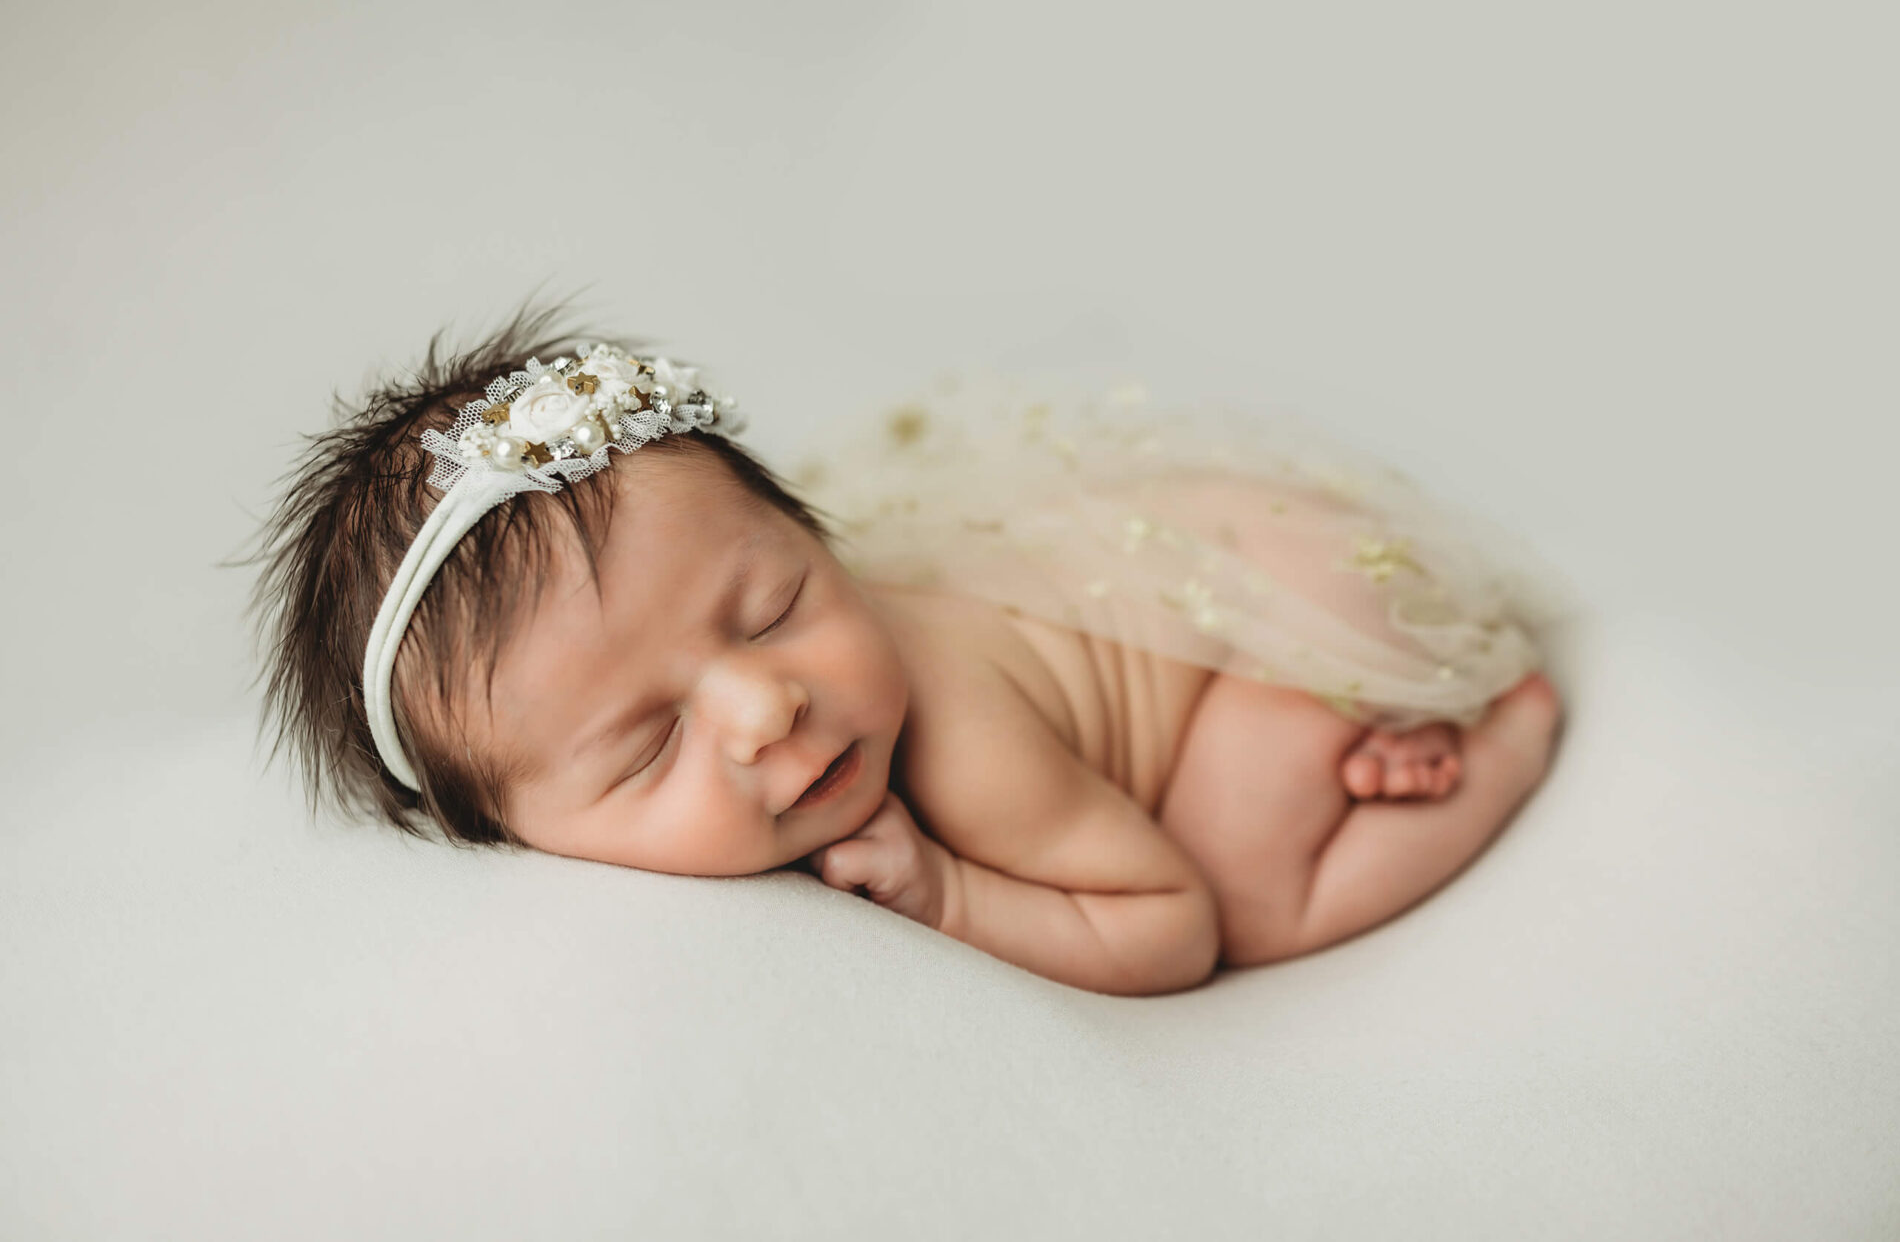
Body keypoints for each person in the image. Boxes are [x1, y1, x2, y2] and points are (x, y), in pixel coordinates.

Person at [249, 300, 1566, 997]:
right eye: (650, 744)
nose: (767, 706)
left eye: (772, 609)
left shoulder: (964, 737)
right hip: (1186, 563)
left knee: (1254, 890)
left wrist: (949, 893)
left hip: (1270, 613)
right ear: (518, 837)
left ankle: (1500, 736)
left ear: (814, 540)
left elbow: (1168, 926)